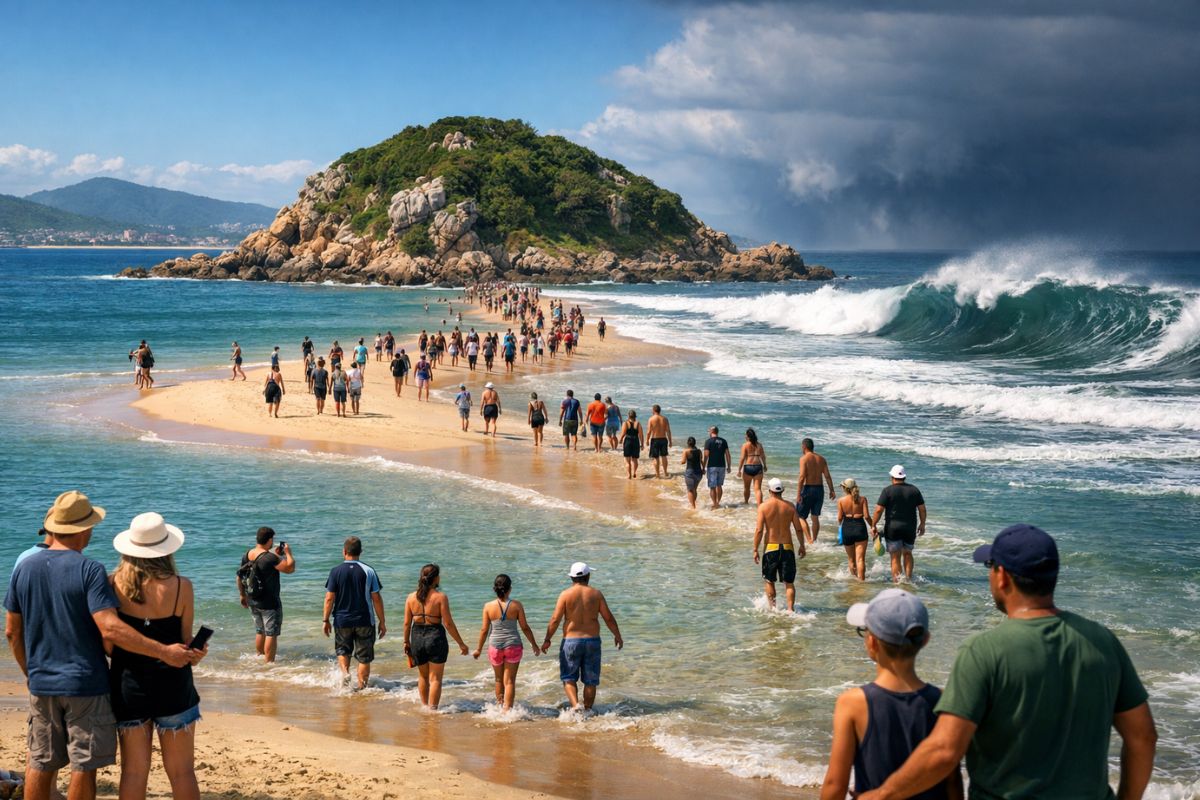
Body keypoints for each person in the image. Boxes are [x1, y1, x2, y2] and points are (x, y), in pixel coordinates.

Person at [856, 525, 1156, 800]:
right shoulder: (1103, 642)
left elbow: (945, 751)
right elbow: (1142, 737)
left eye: (989, 567)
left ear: (1002, 576)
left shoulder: (984, 650)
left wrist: (883, 794)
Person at [4, 491, 198, 800]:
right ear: (81, 530)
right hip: (99, 683)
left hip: (71, 683)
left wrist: (31, 672)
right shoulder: (93, 571)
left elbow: (13, 631)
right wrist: (168, 652)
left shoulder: (28, 567)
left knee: (44, 761)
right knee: (92, 764)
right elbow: (114, 630)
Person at [820, 590, 962, 800]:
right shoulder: (942, 701)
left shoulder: (852, 703)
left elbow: (835, 784)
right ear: (925, 640)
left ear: (872, 643)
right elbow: (952, 781)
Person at [109, 512, 207, 800]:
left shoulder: (113, 584)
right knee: (182, 773)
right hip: (174, 686)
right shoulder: (182, 587)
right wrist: (195, 652)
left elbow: (110, 644)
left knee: (134, 773)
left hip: (129, 688)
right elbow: (186, 640)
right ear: (168, 549)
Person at [541, 563, 623, 712]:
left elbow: (555, 619)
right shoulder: (596, 594)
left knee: (569, 678)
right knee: (591, 680)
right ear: (588, 576)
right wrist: (617, 635)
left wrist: (547, 639)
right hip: (592, 641)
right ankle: (588, 711)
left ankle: (575, 706)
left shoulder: (565, 594)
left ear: (571, 577)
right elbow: (608, 618)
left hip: (571, 641)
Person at [322, 536, 385, 691]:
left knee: (343, 650)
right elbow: (376, 598)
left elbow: (330, 598)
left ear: (344, 551)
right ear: (360, 552)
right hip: (364, 620)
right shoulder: (369, 571)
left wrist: (325, 620)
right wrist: (382, 621)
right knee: (364, 657)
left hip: (342, 620)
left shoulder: (335, 571)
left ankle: (345, 673)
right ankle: (362, 689)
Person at [403, 564, 469, 710]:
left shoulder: (411, 597)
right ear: (436, 578)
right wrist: (461, 644)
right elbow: (448, 623)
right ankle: (432, 711)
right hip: (435, 637)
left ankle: (425, 707)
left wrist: (406, 641)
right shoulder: (440, 597)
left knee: (423, 677)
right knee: (435, 679)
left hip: (417, 638)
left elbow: (407, 623)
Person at [472, 575, 542, 711]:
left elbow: (484, 630)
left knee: (498, 679)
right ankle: (507, 711)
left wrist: (479, 649)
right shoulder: (516, 605)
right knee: (509, 680)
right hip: (513, 645)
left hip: (495, 647)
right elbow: (525, 627)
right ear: (509, 589)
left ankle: (499, 707)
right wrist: (534, 645)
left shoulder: (488, 606)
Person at [237, 527, 295, 663]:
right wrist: (288, 553)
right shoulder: (270, 558)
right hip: (269, 602)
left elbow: (239, 576)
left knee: (259, 630)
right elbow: (290, 568)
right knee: (271, 633)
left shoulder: (247, 554)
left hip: (252, 598)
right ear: (269, 540)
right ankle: (269, 664)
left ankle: (259, 656)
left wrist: (242, 595)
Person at [752, 478, 808, 612]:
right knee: (789, 582)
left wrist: (755, 549)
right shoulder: (790, 506)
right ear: (782, 490)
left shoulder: (763, 507)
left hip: (771, 548)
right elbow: (798, 528)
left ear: (769, 491)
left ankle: (773, 609)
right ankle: (790, 610)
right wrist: (802, 545)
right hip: (787, 547)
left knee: (769, 581)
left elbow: (759, 530)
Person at [871, 465, 927, 583]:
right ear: (904, 477)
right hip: (910, 528)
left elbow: (878, 510)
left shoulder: (887, 490)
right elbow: (922, 509)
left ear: (892, 477)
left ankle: (897, 583)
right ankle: (908, 580)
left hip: (893, 528)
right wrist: (922, 524)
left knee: (895, 556)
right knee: (908, 553)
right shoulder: (914, 490)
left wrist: (873, 525)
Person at [796, 438, 836, 543]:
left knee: (800, 516)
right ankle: (814, 539)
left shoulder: (803, 459)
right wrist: (832, 490)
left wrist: (798, 494)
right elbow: (827, 476)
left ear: (804, 446)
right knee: (815, 517)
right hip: (819, 489)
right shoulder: (821, 459)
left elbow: (801, 477)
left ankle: (809, 540)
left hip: (808, 489)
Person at [837, 478, 871, 581]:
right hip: (860, 527)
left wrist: (840, 527)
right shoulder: (863, 499)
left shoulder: (841, 501)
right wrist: (873, 526)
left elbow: (839, 518)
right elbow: (867, 516)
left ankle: (854, 582)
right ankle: (861, 581)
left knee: (851, 560)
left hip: (847, 528)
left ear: (845, 488)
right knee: (860, 559)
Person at [702, 426, 731, 509]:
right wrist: (729, 466)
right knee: (719, 485)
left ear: (711, 432)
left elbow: (706, 455)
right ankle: (718, 502)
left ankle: (715, 504)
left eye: (709, 431)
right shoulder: (723, 441)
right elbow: (728, 455)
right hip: (722, 466)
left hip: (712, 466)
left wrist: (703, 467)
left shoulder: (708, 441)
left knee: (712, 486)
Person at [737, 428, 768, 505]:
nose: (745, 436)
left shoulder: (745, 445)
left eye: (745, 435)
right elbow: (763, 456)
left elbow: (742, 458)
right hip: (758, 467)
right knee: (758, 489)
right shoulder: (759, 445)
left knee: (747, 488)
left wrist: (739, 470)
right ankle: (759, 505)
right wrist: (765, 466)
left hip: (748, 467)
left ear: (748, 436)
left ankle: (746, 502)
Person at [645, 405, 673, 478]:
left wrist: (647, 440)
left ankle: (657, 474)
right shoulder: (665, 419)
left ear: (653, 410)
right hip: (663, 439)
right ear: (659, 410)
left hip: (655, 439)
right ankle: (665, 472)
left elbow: (648, 431)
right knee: (664, 456)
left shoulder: (651, 419)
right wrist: (670, 441)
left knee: (656, 457)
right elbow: (668, 431)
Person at [680, 436, 704, 509]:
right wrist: (703, 469)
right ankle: (694, 503)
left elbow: (683, 462)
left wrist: (681, 461)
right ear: (694, 443)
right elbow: (701, 461)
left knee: (690, 490)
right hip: (698, 472)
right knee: (694, 489)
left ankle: (693, 506)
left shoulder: (686, 451)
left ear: (688, 443)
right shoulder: (699, 451)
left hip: (690, 472)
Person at [619, 410, 644, 479]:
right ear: (635, 416)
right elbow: (641, 435)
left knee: (627, 460)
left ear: (628, 416)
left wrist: (621, 439)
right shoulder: (638, 423)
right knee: (635, 459)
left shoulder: (626, 423)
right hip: (636, 441)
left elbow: (623, 433)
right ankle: (634, 472)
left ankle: (629, 475)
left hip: (628, 441)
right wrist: (642, 444)